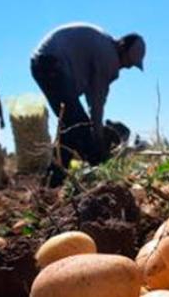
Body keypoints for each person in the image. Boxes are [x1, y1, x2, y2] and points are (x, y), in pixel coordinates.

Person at [31, 22, 146, 186]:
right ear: (122, 48)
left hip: (46, 61)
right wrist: (97, 141)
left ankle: (51, 183)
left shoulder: (105, 46)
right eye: (127, 62)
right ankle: (100, 180)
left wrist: (95, 131)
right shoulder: (109, 56)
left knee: (70, 129)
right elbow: (96, 102)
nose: (126, 67)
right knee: (79, 127)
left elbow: (94, 99)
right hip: (50, 63)